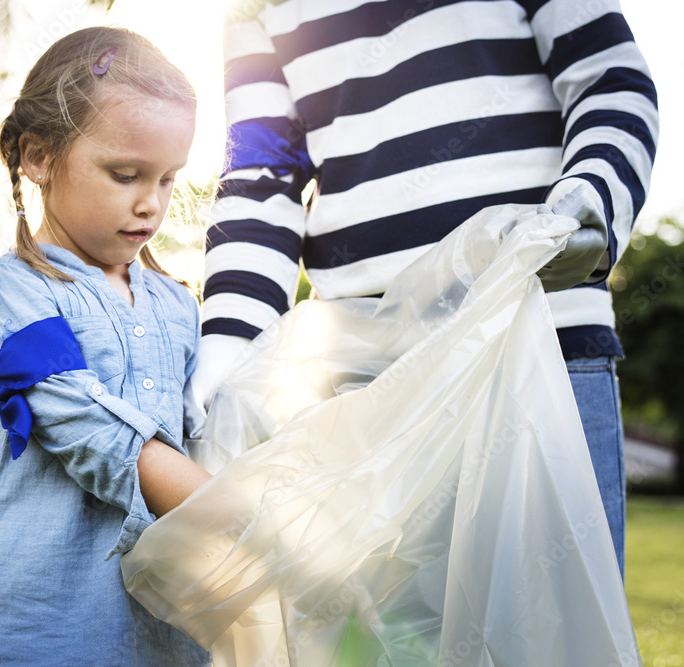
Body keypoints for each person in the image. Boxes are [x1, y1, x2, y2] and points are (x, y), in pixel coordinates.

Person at [194, 0, 659, 575]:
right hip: (367, 379)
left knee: (556, 616)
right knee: (384, 646)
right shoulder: (254, 9)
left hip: (546, 340)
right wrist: (231, 340)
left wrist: (594, 194)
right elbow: (262, 179)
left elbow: (609, 80)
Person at [0, 26, 211, 666]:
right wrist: (232, 512)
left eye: (170, 179)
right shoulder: (5, 293)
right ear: (36, 156)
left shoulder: (181, 307)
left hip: (162, 637)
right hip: (34, 633)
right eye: (125, 174)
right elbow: (81, 420)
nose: (152, 204)